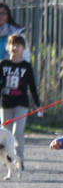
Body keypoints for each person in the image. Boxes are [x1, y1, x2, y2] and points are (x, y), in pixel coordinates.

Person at [1, 34, 40, 166]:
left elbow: (32, 86)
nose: (15, 47)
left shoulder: (26, 66)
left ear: (23, 48)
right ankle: (8, 159)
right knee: (5, 133)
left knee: (18, 132)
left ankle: (20, 160)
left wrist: (37, 104)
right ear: (8, 47)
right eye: (13, 45)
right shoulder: (3, 64)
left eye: (18, 45)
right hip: (5, 103)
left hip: (21, 103)